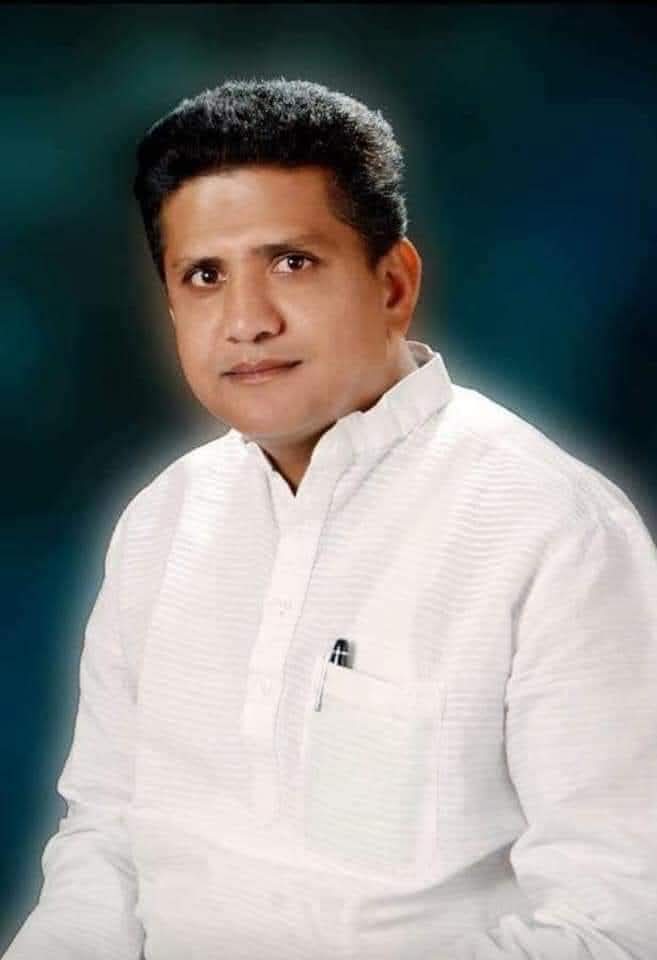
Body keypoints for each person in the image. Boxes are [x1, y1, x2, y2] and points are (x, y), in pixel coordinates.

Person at [4, 77, 657, 960]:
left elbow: (616, 923)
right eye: (205, 276)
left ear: (392, 283)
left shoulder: (551, 529)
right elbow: (106, 834)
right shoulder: (162, 522)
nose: (246, 321)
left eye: (291, 262)